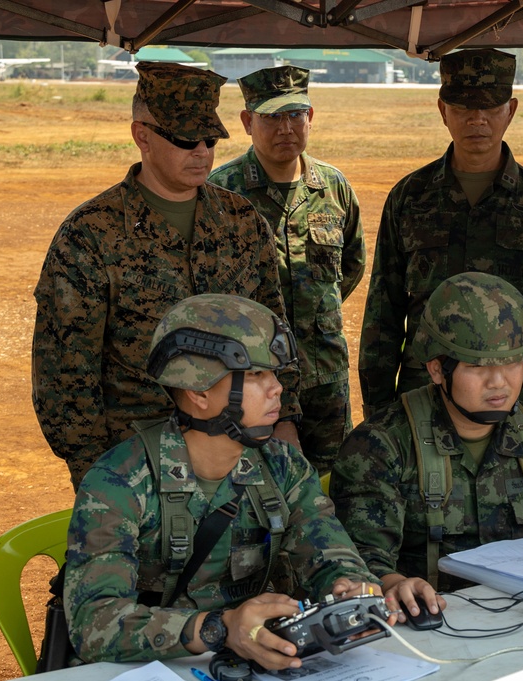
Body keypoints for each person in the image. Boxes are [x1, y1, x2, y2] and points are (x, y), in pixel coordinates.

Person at [64, 294, 393, 668]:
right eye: (255, 375)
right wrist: (217, 629)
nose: (277, 388)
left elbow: (328, 550)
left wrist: (349, 586)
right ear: (200, 393)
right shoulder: (119, 481)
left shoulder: (282, 466)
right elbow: (93, 622)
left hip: (247, 663)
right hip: (144, 667)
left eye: (274, 373)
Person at [32, 62, 301, 491]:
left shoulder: (241, 221)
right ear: (142, 136)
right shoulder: (90, 234)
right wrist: (95, 474)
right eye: (183, 139)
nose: (201, 151)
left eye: (209, 139)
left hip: (239, 452)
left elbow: (273, 333)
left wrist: (284, 425)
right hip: (138, 463)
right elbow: (64, 374)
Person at [333, 272, 523, 624]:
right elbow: (360, 559)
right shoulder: (381, 446)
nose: (499, 382)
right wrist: (392, 584)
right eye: (477, 366)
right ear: (437, 369)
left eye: (512, 363)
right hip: (431, 624)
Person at [358, 48, 523, 439]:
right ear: (442, 110)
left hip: (517, 401)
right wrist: (379, 414)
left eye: (490, 107)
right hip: (425, 399)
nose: (477, 119)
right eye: (463, 107)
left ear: (511, 110)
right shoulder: (409, 198)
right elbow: (383, 311)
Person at [211, 66, 364, 475]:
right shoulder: (222, 194)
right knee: (257, 488)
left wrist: (311, 318)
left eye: (295, 115)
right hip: (252, 380)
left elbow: (350, 267)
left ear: (310, 117)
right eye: (271, 117)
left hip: (325, 380)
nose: (286, 128)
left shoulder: (333, 187)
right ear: (247, 122)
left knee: (335, 487)